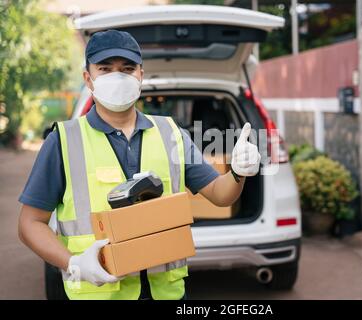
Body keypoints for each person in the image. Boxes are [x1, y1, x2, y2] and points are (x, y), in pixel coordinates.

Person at [17, 30, 261, 300]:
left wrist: (238, 172)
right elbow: (30, 224)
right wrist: (73, 263)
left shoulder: (171, 133)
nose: (117, 77)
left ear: (141, 75)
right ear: (89, 78)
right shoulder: (63, 140)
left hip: (166, 294)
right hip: (99, 293)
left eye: (127, 68)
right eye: (105, 69)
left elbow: (220, 194)